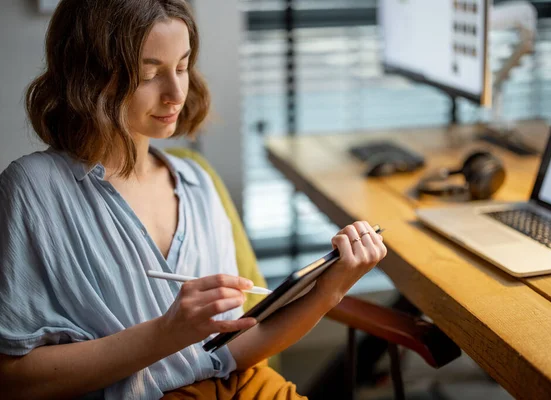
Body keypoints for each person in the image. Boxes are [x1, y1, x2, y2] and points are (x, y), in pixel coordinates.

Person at [0, 1, 388, 399]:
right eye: (150, 74)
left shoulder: (196, 183)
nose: (175, 94)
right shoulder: (35, 189)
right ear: (89, 77)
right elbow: (12, 380)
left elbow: (229, 353)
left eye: (182, 67)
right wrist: (165, 334)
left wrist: (330, 290)